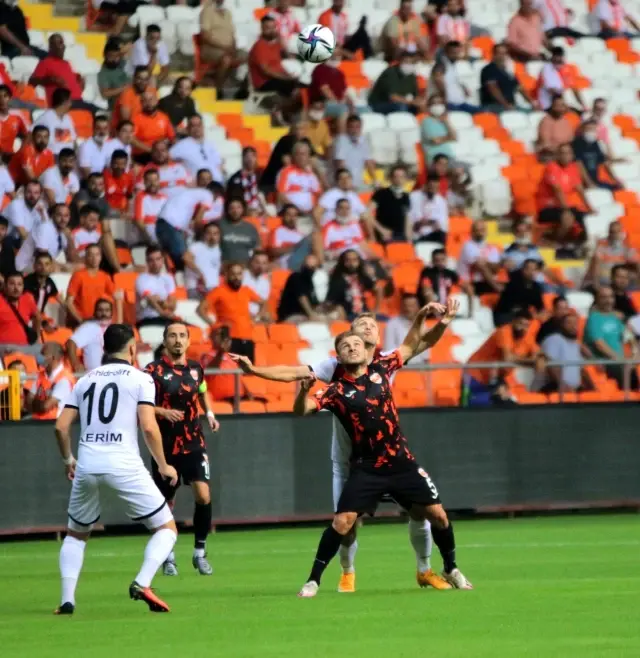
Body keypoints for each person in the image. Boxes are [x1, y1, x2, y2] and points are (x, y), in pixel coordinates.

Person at [231, 310, 450, 593]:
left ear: (377, 335)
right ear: (351, 335)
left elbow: (423, 342)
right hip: (350, 461)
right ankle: (347, 572)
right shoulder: (336, 367)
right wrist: (254, 371)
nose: (368, 329)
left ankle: (425, 570)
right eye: (361, 326)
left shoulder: (386, 363)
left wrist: (438, 321)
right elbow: (294, 374)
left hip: (391, 456)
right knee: (347, 524)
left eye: (372, 325)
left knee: (422, 512)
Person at [294, 302, 473, 597]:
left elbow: (413, 343)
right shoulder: (336, 389)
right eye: (346, 346)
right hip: (367, 467)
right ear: (338, 356)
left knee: (438, 515)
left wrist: (424, 316)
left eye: (356, 344)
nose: (352, 348)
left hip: (401, 462)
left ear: (366, 350)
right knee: (343, 522)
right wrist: (302, 391)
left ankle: (450, 567)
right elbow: (303, 411)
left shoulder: (383, 367)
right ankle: (314, 579)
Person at [54, 324, 179, 615]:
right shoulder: (141, 379)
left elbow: (60, 427)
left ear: (104, 348)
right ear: (132, 347)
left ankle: (67, 601)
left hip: (87, 463)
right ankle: (143, 582)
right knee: (166, 528)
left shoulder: (84, 380)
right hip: (124, 463)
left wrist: (68, 461)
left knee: (75, 535)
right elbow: (148, 426)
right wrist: (163, 465)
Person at [144, 322, 220, 577]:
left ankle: (200, 551)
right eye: (173, 336)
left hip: (193, 441)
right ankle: (168, 555)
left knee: (203, 494)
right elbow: (140, 405)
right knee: (165, 501)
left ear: (189, 341)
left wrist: (209, 413)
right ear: (165, 341)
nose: (178, 340)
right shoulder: (152, 371)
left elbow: (201, 391)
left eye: (182, 336)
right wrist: (163, 411)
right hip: (164, 445)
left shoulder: (196, 368)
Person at [464, 309, 542, 406]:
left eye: (526, 325)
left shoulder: (526, 336)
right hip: (476, 374)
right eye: (520, 323)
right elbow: (508, 358)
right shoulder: (504, 331)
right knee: (481, 407)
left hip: (496, 377)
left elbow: (539, 354)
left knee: (506, 403)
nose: (522, 328)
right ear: (513, 321)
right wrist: (532, 362)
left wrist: (540, 359)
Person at [197, 262, 269, 360]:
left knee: (248, 373)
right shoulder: (219, 291)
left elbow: (263, 303)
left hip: (248, 338)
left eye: (239, 274)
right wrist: (214, 325)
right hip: (229, 339)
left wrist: (256, 319)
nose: (236, 277)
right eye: (233, 274)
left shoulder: (246, 290)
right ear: (227, 275)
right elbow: (200, 309)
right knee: (230, 371)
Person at [536, 142, 594, 252]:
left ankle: (576, 244)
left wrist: (590, 208)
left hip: (564, 206)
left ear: (572, 155)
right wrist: (566, 209)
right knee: (567, 218)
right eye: (562, 153)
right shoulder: (551, 167)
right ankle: (553, 240)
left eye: (568, 153)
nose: (565, 156)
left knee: (585, 219)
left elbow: (580, 189)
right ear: (557, 155)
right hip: (547, 207)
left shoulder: (573, 168)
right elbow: (557, 190)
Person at [155, 181, 220, 270]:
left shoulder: (191, 193)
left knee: (172, 261)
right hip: (172, 226)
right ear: (216, 194)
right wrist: (201, 238)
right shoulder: (208, 195)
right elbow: (198, 220)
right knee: (185, 262)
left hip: (160, 225)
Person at [584, 287, 637, 390]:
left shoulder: (615, 317)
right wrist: (619, 360)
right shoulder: (593, 319)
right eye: (604, 297)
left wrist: (635, 354)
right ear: (597, 300)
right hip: (605, 363)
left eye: (611, 297)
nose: (608, 301)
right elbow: (599, 344)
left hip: (620, 362)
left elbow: (629, 337)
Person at [29, 33, 94, 110]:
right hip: (63, 103)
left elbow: (73, 86)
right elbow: (31, 82)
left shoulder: (67, 63)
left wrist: (81, 85)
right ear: (51, 47)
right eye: (59, 43)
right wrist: (50, 80)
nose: (63, 46)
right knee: (96, 111)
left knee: (101, 112)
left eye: (62, 43)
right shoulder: (45, 63)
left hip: (78, 101)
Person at [199, 0, 247, 97]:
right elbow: (205, 36)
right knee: (226, 59)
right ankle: (218, 89)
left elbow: (232, 34)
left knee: (249, 56)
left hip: (228, 48)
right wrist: (224, 47)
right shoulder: (207, 12)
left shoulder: (228, 13)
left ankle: (243, 89)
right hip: (211, 48)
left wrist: (233, 47)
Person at [65, 243, 119, 325]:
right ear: (86, 257)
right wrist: (80, 320)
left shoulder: (104, 276)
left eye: (97, 255)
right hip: (81, 321)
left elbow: (117, 296)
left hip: (99, 320)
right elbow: (69, 302)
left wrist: (118, 322)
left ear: (101, 258)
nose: (94, 258)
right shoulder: (78, 276)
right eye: (91, 255)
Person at [15, 204, 79, 273]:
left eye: (66, 216)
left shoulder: (63, 233)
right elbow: (42, 255)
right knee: (60, 269)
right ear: (52, 216)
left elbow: (72, 258)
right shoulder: (45, 227)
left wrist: (70, 238)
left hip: (45, 265)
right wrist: (62, 266)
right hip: (25, 266)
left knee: (80, 267)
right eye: (59, 215)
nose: (63, 219)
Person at [540, 312, 593, 393]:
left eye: (575, 323)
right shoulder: (554, 339)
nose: (573, 326)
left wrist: (592, 389)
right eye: (569, 323)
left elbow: (581, 370)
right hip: (556, 389)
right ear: (561, 325)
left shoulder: (576, 344)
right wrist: (563, 385)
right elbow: (550, 365)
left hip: (574, 390)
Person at [480, 43, 537, 113]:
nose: (502, 56)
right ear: (494, 54)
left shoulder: (507, 71)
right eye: (499, 53)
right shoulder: (488, 70)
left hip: (511, 105)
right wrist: (505, 104)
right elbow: (493, 89)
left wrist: (532, 103)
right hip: (494, 106)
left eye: (504, 53)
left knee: (534, 113)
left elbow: (519, 88)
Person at [200, 324, 250, 402]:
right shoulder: (206, 356)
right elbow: (211, 370)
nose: (222, 337)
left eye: (224, 335)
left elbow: (239, 378)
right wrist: (221, 352)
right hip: (223, 398)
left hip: (240, 398)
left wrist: (248, 392)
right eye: (219, 334)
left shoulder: (232, 357)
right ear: (211, 337)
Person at [326, 249, 380, 320]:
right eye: (348, 260)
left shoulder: (362, 276)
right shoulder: (337, 278)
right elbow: (331, 301)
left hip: (363, 312)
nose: (351, 263)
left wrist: (376, 310)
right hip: (347, 315)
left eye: (354, 260)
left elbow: (379, 289)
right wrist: (339, 309)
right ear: (343, 262)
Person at [584, 220, 639, 290]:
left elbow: (637, 263)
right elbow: (596, 265)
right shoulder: (602, 246)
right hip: (605, 279)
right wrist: (596, 286)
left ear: (622, 232)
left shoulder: (627, 247)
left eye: (617, 232)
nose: (614, 235)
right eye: (612, 232)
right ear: (609, 233)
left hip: (620, 279)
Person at [66, 298, 115, 373]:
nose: (104, 313)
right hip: (94, 375)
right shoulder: (88, 327)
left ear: (111, 313)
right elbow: (70, 343)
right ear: (95, 312)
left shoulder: (115, 328)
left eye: (107, 310)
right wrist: (76, 364)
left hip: (113, 374)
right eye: (100, 310)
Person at [170, 114, 224, 182]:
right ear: (188, 128)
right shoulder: (181, 145)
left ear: (203, 127)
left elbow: (219, 164)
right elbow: (167, 159)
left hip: (217, 183)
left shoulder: (210, 144)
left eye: (199, 125)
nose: (197, 128)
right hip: (198, 186)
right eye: (193, 126)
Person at [367, 50, 424, 116]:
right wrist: (412, 102)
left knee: (420, 107)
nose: (409, 65)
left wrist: (420, 102)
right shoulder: (390, 73)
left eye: (411, 63)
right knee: (401, 107)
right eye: (406, 62)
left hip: (402, 103)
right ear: (399, 61)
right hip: (379, 104)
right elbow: (393, 97)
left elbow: (415, 95)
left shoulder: (411, 76)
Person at [572, 120, 622, 192]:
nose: (591, 132)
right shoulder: (577, 143)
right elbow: (579, 164)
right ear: (582, 130)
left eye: (593, 129)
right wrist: (589, 183)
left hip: (596, 180)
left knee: (618, 189)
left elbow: (603, 161)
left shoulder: (595, 143)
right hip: (584, 183)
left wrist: (615, 179)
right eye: (588, 129)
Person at [493, 258, 545, 327]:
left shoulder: (536, 287)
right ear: (523, 269)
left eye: (535, 269)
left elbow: (540, 306)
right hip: (505, 314)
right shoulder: (513, 280)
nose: (532, 272)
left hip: (522, 316)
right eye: (529, 269)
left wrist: (540, 314)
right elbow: (512, 306)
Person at [431, 41, 479, 114]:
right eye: (453, 53)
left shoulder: (453, 65)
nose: (456, 55)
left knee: (484, 113)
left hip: (460, 102)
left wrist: (463, 87)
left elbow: (452, 81)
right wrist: (444, 98)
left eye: (458, 52)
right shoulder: (441, 64)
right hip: (450, 104)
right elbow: (438, 79)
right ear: (446, 52)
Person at [457, 219, 502, 296]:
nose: (479, 233)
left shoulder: (492, 248)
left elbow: (496, 268)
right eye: (477, 230)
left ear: (486, 231)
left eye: (482, 230)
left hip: (487, 283)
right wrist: (496, 286)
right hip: (472, 283)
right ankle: (498, 289)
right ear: (472, 232)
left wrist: (485, 263)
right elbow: (478, 266)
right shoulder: (468, 246)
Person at [276, 141, 322, 216]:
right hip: (291, 214)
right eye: (298, 154)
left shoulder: (312, 175)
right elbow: (281, 196)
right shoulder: (285, 172)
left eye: (303, 154)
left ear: (308, 156)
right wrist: (297, 210)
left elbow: (319, 195)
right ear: (293, 156)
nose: (301, 157)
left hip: (310, 215)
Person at [31, 342, 75, 420]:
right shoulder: (40, 375)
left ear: (53, 357)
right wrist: (40, 404)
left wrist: (36, 403)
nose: (40, 357)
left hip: (54, 424)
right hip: (37, 422)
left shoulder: (64, 378)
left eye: (43, 354)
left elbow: (45, 407)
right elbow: (28, 402)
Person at [135, 246, 177, 328]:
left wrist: (161, 302)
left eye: (158, 259)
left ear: (162, 260)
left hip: (166, 318)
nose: (155, 263)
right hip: (147, 319)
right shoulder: (141, 279)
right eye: (151, 260)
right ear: (147, 261)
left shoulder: (168, 278)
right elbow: (150, 300)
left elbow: (173, 304)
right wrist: (162, 311)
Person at [333, 114, 376, 191]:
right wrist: (346, 182)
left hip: (358, 183)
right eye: (352, 127)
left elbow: (369, 162)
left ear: (361, 128)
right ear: (347, 127)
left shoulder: (364, 140)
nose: (354, 130)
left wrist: (375, 180)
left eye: (357, 127)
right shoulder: (341, 140)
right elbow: (340, 165)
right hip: (344, 184)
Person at [537, 46, 585, 113]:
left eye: (560, 56)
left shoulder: (567, 69)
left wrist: (583, 105)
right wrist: (565, 105)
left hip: (562, 104)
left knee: (581, 113)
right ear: (552, 57)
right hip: (548, 104)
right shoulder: (547, 68)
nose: (559, 59)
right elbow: (553, 91)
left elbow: (575, 89)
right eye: (557, 56)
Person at [369, 165, 411, 243]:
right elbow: (367, 214)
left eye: (402, 177)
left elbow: (407, 219)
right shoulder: (381, 193)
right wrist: (381, 230)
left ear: (406, 179)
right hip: (384, 234)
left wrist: (409, 239)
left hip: (400, 235)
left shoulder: (406, 196)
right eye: (396, 176)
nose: (398, 179)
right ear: (391, 178)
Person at [0, 271, 41, 350]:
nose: (16, 288)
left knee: (50, 352)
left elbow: (38, 317)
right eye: (12, 284)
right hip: (4, 347)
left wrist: (37, 337)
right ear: (5, 286)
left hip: (26, 346)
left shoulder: (28, 298)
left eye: (19, 284)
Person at [384, 294, 429, 363]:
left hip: (420, 367)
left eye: (412, 306)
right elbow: (388, 352)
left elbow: (426, 355)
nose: (408, 309)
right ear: (401, 307)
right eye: (405, 305)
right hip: (399, 368)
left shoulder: (423, 324)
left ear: (418, 307)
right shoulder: (392, 324)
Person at [132, 91, 175, 163]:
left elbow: (172, 136)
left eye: (151, 99)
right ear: (141, 103)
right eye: (145, 100)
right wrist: (151, 150)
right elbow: (132, 139)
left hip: (162, 153)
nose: (148, 103)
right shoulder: (135, 119)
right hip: (144, 154)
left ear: (156, 101)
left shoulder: (164, 117)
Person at [34, 88, 77, 156]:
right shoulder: (45, 117)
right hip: (53, 156)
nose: (71, 103)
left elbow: (74, 141)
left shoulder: (68, 118)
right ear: (65, 102)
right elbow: (31, 134)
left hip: (69, 157)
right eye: (70, 101)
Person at [185, 221, 221, 299]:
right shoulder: (196, 247)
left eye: (215, 233)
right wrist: (200, 274)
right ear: (204, 234)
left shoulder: (220, 250)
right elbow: (186, 258)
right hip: (196, 288)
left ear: (219, 235)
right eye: (209, 233)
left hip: (214, 289)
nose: (212, 236)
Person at [218, 198, 261, 264]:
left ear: (243, 209)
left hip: (245, 266)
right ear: (227, 210)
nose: (235, 211)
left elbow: (257, 250)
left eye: (238, 207)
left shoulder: (250, 228)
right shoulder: (219, 226)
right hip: (224, 266)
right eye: (232, 208)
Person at [5, 180, 48, 246]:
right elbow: (23, 234)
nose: (32, 196)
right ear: (24, 192)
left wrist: (43, 216)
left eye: (36, 193)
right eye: (29, 192)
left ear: (40, 195)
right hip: (5, 239)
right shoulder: (16, 204)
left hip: (17, 243)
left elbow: (46, 232)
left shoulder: (39, 209)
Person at [309, 49, 349, 117]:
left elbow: (344, 91)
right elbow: (324, 89)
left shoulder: (340, 73)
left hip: (338, 102)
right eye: (332, 54)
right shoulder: (320, 69)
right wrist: (337, 102)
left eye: (337, 55)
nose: (335, 57)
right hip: (322, 103)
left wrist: (348, 102)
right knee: (343, 110)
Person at [111, 66, 153, 132]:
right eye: (139, 78)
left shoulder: (151, 91)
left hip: (143, 129)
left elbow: (154, 114)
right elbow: (125, 122)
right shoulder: (126, 93)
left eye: (146, 79)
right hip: (124, 131)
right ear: (134, 78)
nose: (142, 82)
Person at [408, 178, 449, 245]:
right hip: (417, 235)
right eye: (431, 187)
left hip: (433, 235)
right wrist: (426, 222)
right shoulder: (414, 197)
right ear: (425, 186)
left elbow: (442, 224)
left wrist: (427, 223)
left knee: (441, 234)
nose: (433, 190)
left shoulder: (441, 201)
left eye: (436, 188)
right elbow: (411, 220)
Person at [420, 94, 456, 166]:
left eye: (439, 103)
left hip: (449, 156)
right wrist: (449, 137)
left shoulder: (444, 121)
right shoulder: (426, 122)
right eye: (434, 103)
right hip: (435, 158)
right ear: (429, 106)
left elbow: (454, 137)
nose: (437, 105)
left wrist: (446, 122)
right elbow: (436, 141)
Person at [97, 38, 130, 111]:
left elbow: (129, 47)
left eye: (117, 56)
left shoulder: (120, 63)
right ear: (104, 55)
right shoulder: (103, 73)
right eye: (111, 56)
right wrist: (124, 88)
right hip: (119, 106)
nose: (114, 59)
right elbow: (105, 94)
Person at [23, 250, 58, 315]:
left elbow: (60, 300)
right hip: (25, 317)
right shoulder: (26, 282)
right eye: (40, 264)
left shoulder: (50, 282)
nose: (43, 267)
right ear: (34, 266)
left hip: (39, 318)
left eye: (47, 264)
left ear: (51, 267)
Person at [0, 84, 29, 159]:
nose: (2, 99)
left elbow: (28, 135)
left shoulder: (17, 115)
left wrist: (19, 153)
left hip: (10, 158)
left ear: (10, 98)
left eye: (5, 96)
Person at [242, 250, 271, 318]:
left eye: (264, 263)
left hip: (257, 316)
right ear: (251, 262)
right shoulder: (242, 276)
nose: (260, 266)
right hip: (241, 314)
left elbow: (264, 303)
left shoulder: (265, 282)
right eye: (257, 262)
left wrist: (258, 316)